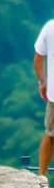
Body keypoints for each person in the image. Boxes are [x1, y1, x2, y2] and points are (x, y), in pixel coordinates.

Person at [33, 18, 54, 178]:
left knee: (51, 134)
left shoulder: (50, 26)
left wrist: (43, 81)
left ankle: (41, 176)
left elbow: (39, 57)